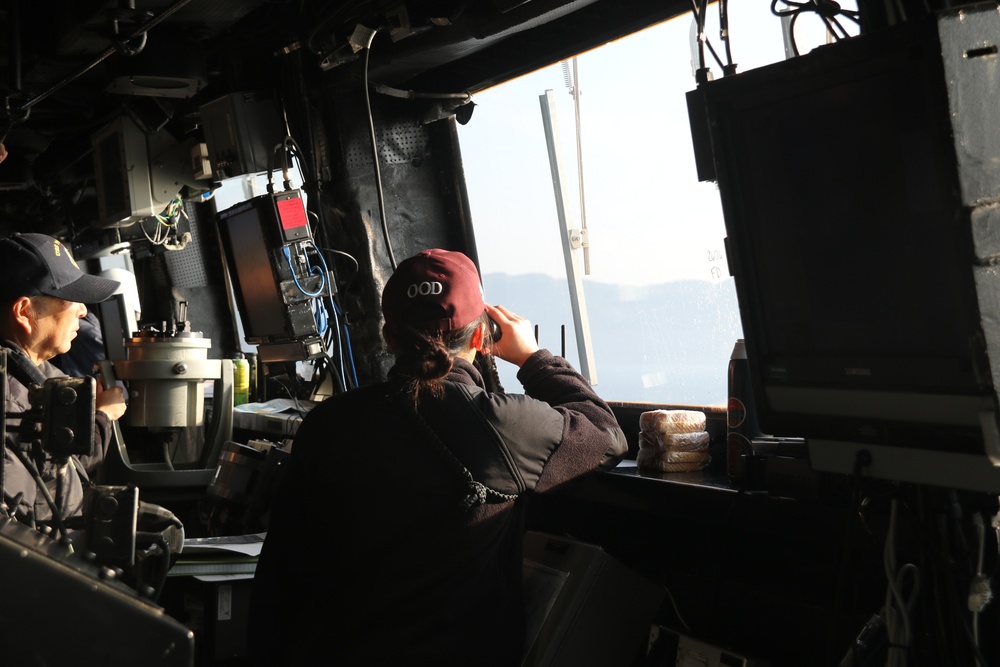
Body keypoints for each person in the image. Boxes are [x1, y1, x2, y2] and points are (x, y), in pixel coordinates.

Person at [249, 248, 627, 666]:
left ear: (390, 338)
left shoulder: (326, 424)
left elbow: (278, 577)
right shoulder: (505, 424)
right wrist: (533, 359)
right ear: (483, 337)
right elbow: (606, 434)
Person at [0, 232, 126, 524]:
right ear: (24, 312)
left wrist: (101, 417)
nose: (83, 310)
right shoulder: (9, 403)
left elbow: (53, 465)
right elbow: (17, 540)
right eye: (71, 298)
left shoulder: (32, 378)